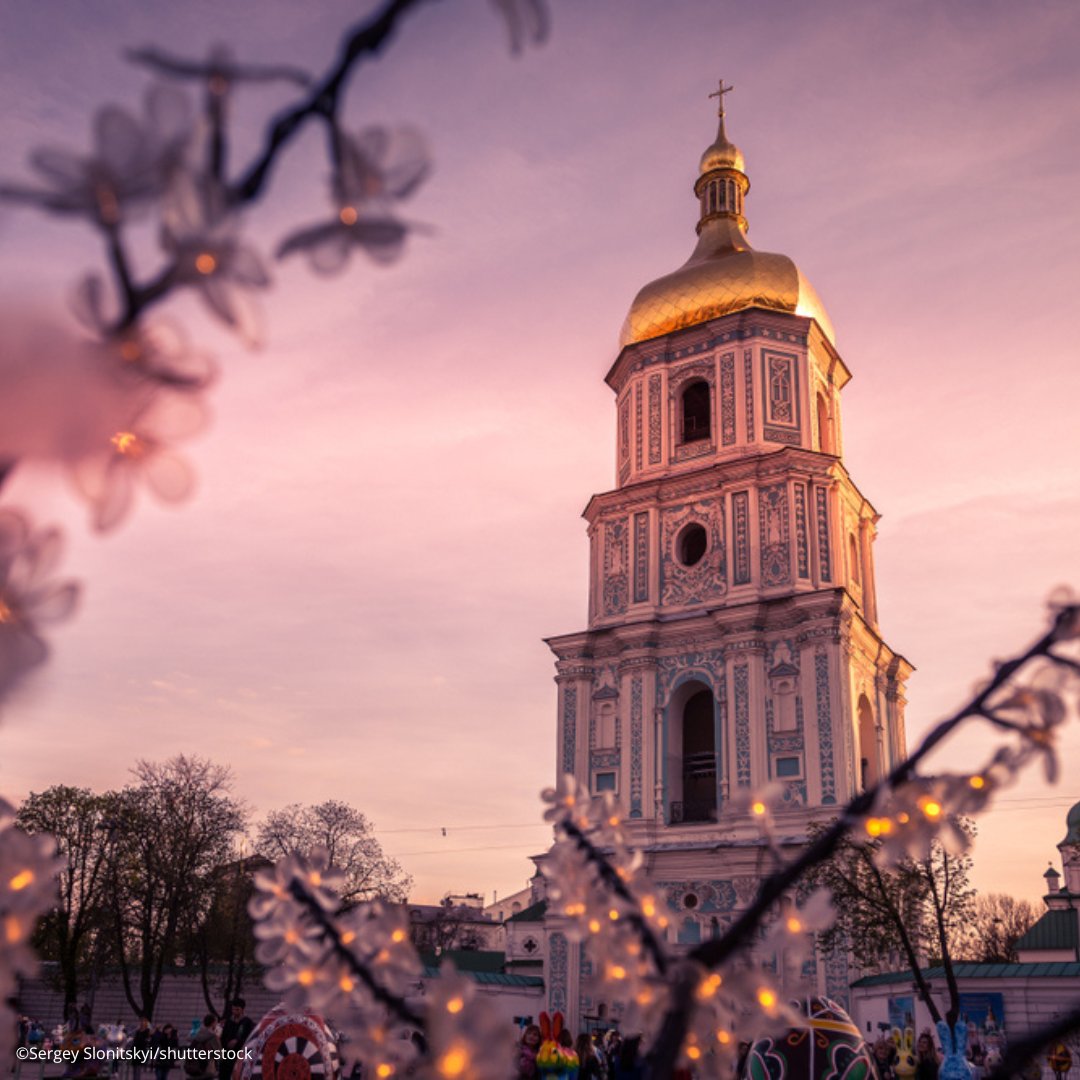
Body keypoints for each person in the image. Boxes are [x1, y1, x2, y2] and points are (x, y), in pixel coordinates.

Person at [219, 999, 255, 1080]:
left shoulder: (247, 1022)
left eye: (237, 1009)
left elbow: (250, 1039)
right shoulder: (228, 1022)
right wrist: (226, 1043)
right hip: (227, 1056)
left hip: (240, 1056)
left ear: (242, 1009)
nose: (234, 1012)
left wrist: (238, 1042)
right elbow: (223, 1037)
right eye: (233, 1009)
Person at [185, 1014, 222, 1080]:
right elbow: (219, 1053)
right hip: (208, 1066)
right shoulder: (212, 1036)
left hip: (196, 1064)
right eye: (216, 1022)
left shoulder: (198, 1034)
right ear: (213, 1023)